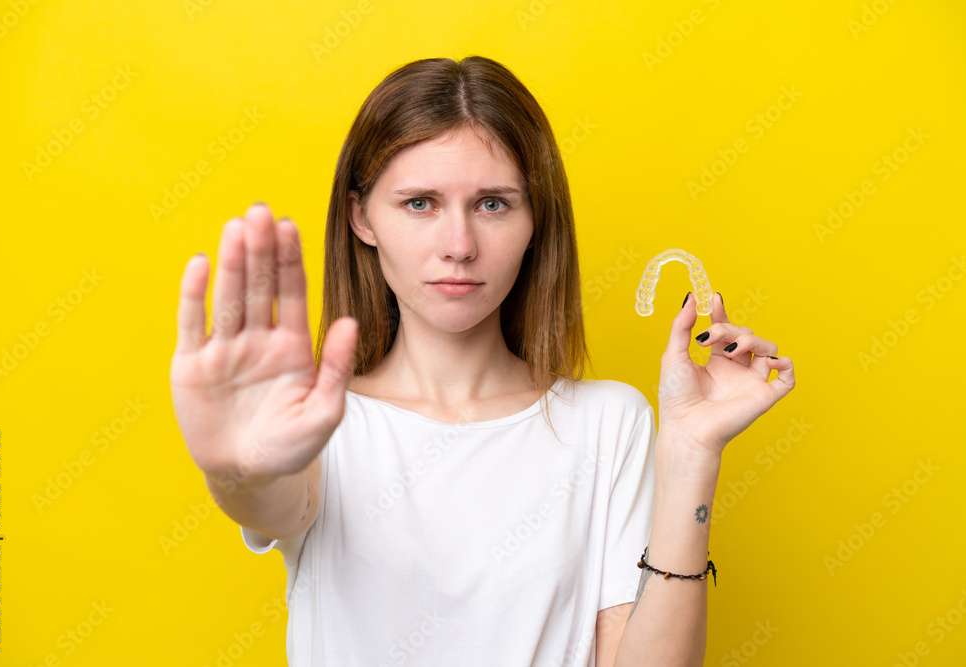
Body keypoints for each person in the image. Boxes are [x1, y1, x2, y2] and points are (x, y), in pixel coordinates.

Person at [169, 55, 795, 667]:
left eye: (493, 203)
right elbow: (274, 501)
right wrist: (240, 469)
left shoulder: (608, 423)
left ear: (533, 220)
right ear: (363, 217)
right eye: (420, 203)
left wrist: (692, 456)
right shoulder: (320, 422)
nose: (459, 247)